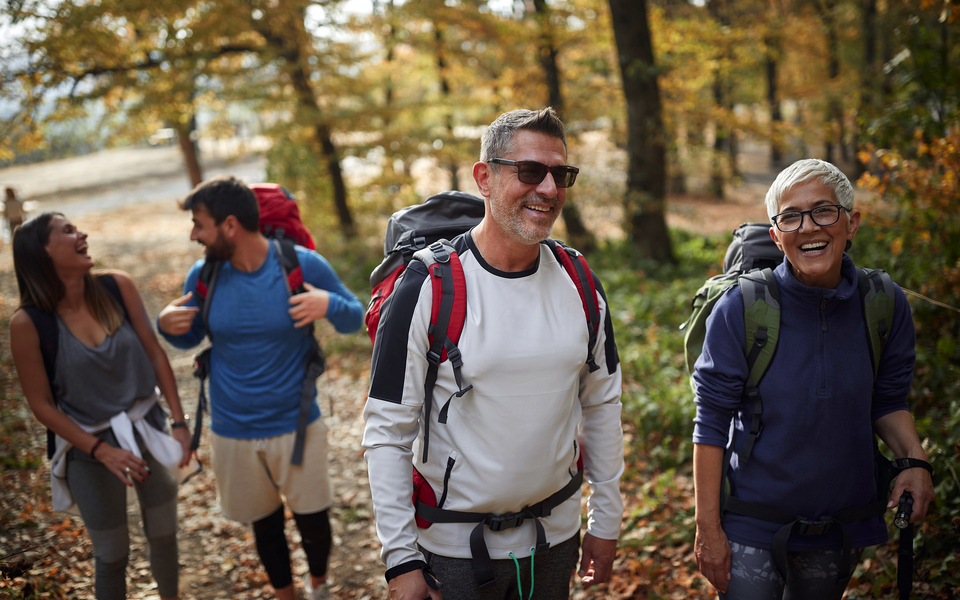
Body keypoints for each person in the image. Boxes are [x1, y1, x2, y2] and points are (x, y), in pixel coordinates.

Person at [362, 107, 625, 599]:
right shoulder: (428, 285)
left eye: (560, 175)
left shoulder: (579, 281)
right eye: (530, 171)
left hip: (555, 538)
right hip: (452, 548)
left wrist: (606, 520)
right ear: (484, 178)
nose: (548, 189)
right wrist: (400, 559)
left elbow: (603, 404)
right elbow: (387, 430)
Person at [692, 158, 935, 599]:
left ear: (851, 222)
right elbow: (711, 423)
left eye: (823, 211)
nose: (808, 227)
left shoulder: (883, 304)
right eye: (790, 217)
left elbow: (888, 401)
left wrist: (915, 460)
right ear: (776, 235)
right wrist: (708, 529)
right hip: (750, 524)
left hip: (839, 527)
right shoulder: (740, 309)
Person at [156, 175, 365, 600]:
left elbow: (355, 317)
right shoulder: (204, 275)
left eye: (199, 224)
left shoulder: (302, 264)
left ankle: (318, 584)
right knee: (264, 524)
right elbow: (189, 337)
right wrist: (164, 324)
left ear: (230, 225)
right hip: (232, 428)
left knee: (313, 520)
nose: (194, 235)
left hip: (297, 423)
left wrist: (327, 304)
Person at [9, 213, 192, 600]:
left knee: (164, 535)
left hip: (146, 430)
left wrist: (179, 423)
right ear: (43, 251)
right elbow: (41, 405)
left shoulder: (117, 287)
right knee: (112, 555)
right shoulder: (28, 323)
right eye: (68, 231)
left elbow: (155, 354)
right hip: (86, 450)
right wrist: (101, 450)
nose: (82, 233)